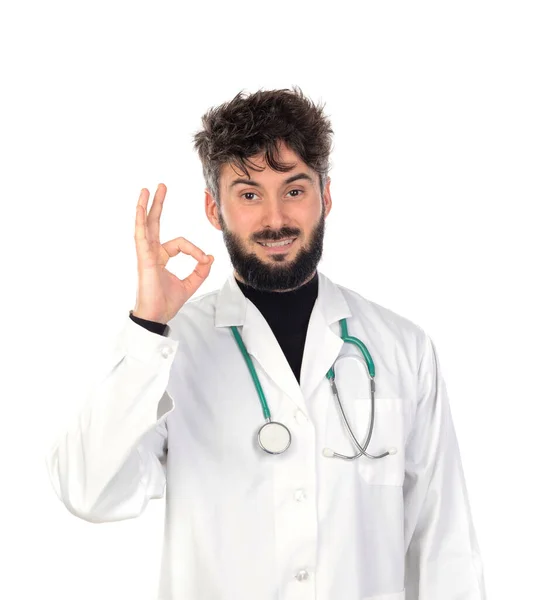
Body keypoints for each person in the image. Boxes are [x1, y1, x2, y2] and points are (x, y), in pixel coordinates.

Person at [46, 86, 487, 600]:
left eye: (294, 190)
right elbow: (88, 492)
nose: (275, 218)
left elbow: (444, 544)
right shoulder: (171, 348)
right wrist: (147, 327)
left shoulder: (402, 350)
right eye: (249, 194)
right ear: (215, 209)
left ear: (326, 195)